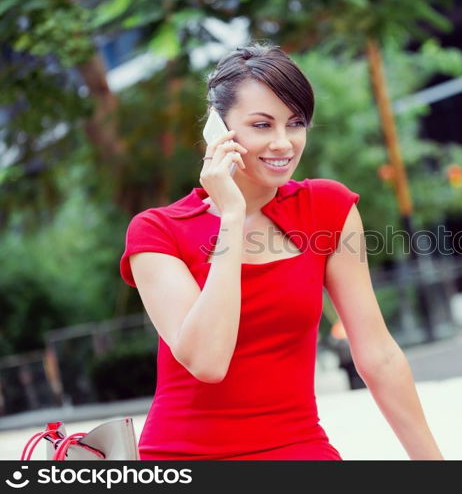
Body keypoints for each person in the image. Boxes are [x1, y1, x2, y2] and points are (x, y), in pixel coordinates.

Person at [119, 42, 443, 460]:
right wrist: (232, 218)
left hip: (298, 448)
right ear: (217, 129)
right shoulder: (157, 231)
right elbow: (208, 361)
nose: (283, 143)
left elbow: (378, 355)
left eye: (295, 123)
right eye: (261, 125)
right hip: (184, 457)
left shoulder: (326, 209)